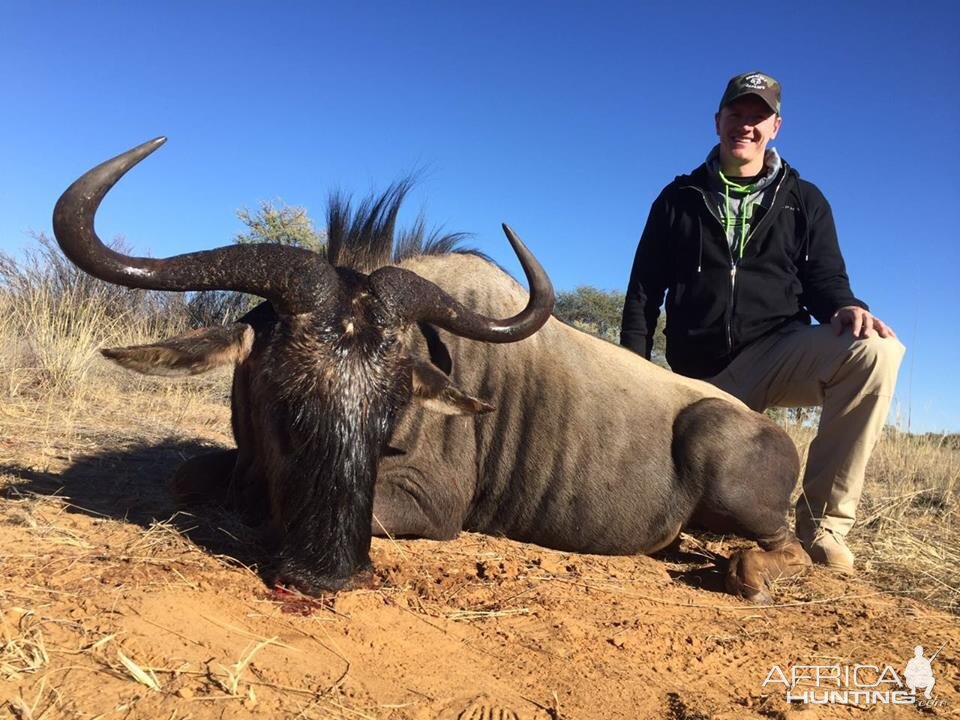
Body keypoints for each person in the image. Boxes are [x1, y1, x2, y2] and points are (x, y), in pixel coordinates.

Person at [620, 71, 905, 573]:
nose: (745, 125)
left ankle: (823, 529)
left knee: (877, 352)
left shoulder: (805, 198)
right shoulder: (677, 198)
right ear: (718, 121)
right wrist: (631, 374)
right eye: (736, 113)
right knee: (660, 505)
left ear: (776, 126)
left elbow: (826, 282)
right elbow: (644, 293)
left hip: (775, 350)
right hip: (694, 376)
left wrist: (847, 304)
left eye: (758, 116)